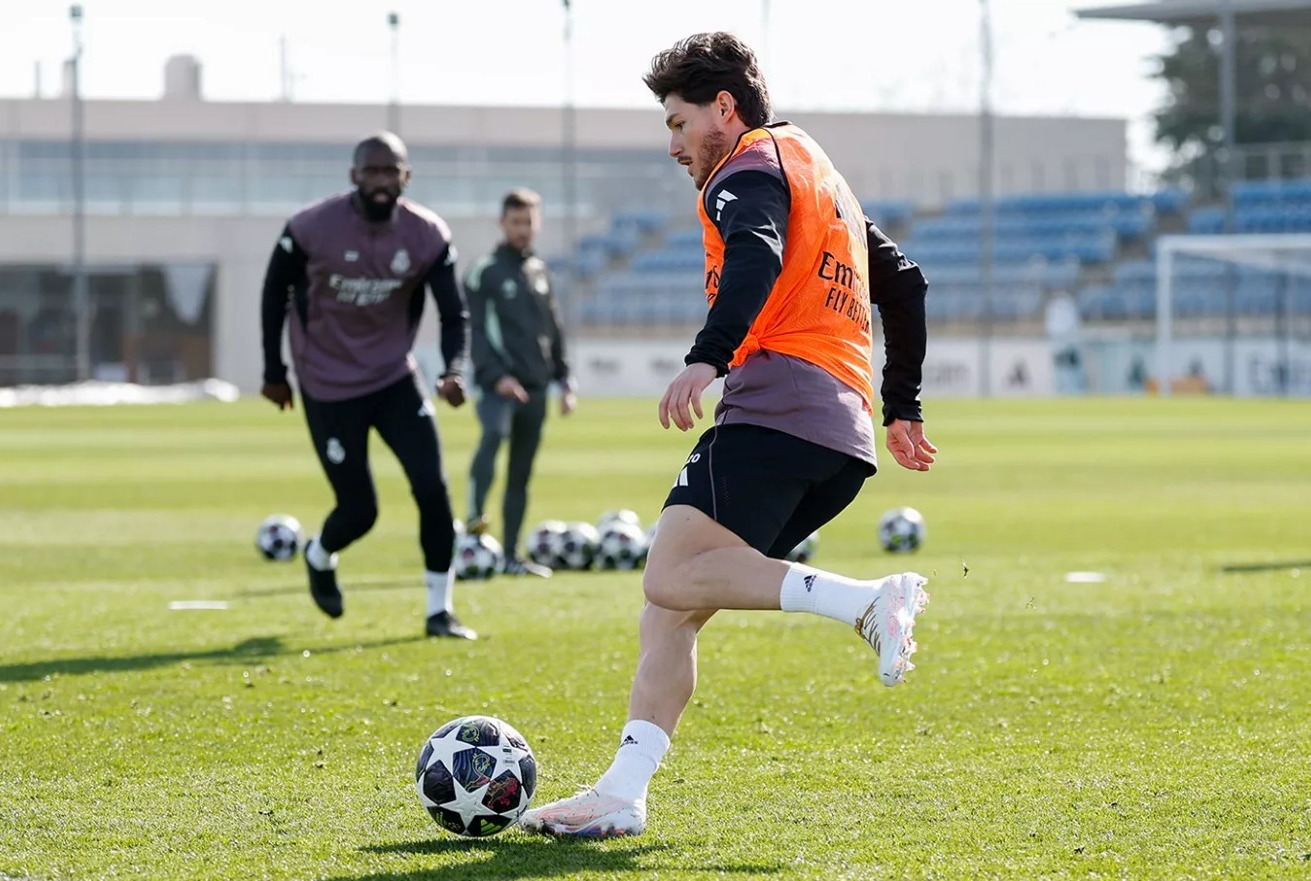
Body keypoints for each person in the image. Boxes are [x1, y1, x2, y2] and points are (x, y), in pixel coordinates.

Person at [520, 32, 937, 838]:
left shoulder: (746, 167)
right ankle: (623, 790)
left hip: (778, 403)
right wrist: (901, 405)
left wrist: (707, 358)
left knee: (669, 572)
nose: (674, 146)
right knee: (674, 606)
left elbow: (754, 251)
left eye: (679, 124)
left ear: (724, 107)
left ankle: (867, 602)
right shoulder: (818, 175)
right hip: (838, 432)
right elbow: (906, 285)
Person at [259, 132, 478, 640]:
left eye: (390, 171)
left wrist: (453, 370)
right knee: (360, 512)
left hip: (394, 378)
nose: (381, 181)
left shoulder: (427, 234)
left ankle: (439, 610)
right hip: (327, 383)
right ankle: (319, 554)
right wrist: (274, 372)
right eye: (371, 171)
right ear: (354, 175)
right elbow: (274, 293)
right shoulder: (310, 227)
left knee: (433, 489)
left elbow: (454, 313)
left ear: (406, 177)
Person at [462, 188, 577, 577]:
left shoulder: (540, 271)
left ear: (537, 223)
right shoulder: (484, 272)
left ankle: (511, 556)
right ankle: (474, 520)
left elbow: (553, 328)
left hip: (536, 386)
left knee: (521, 472)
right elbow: (476, 331)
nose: (523, 229)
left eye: (529, 221)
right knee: (493, 436)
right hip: (498, 386)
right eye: (516, 221)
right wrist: (497, 377)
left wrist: (565, 378)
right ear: (503, 223)